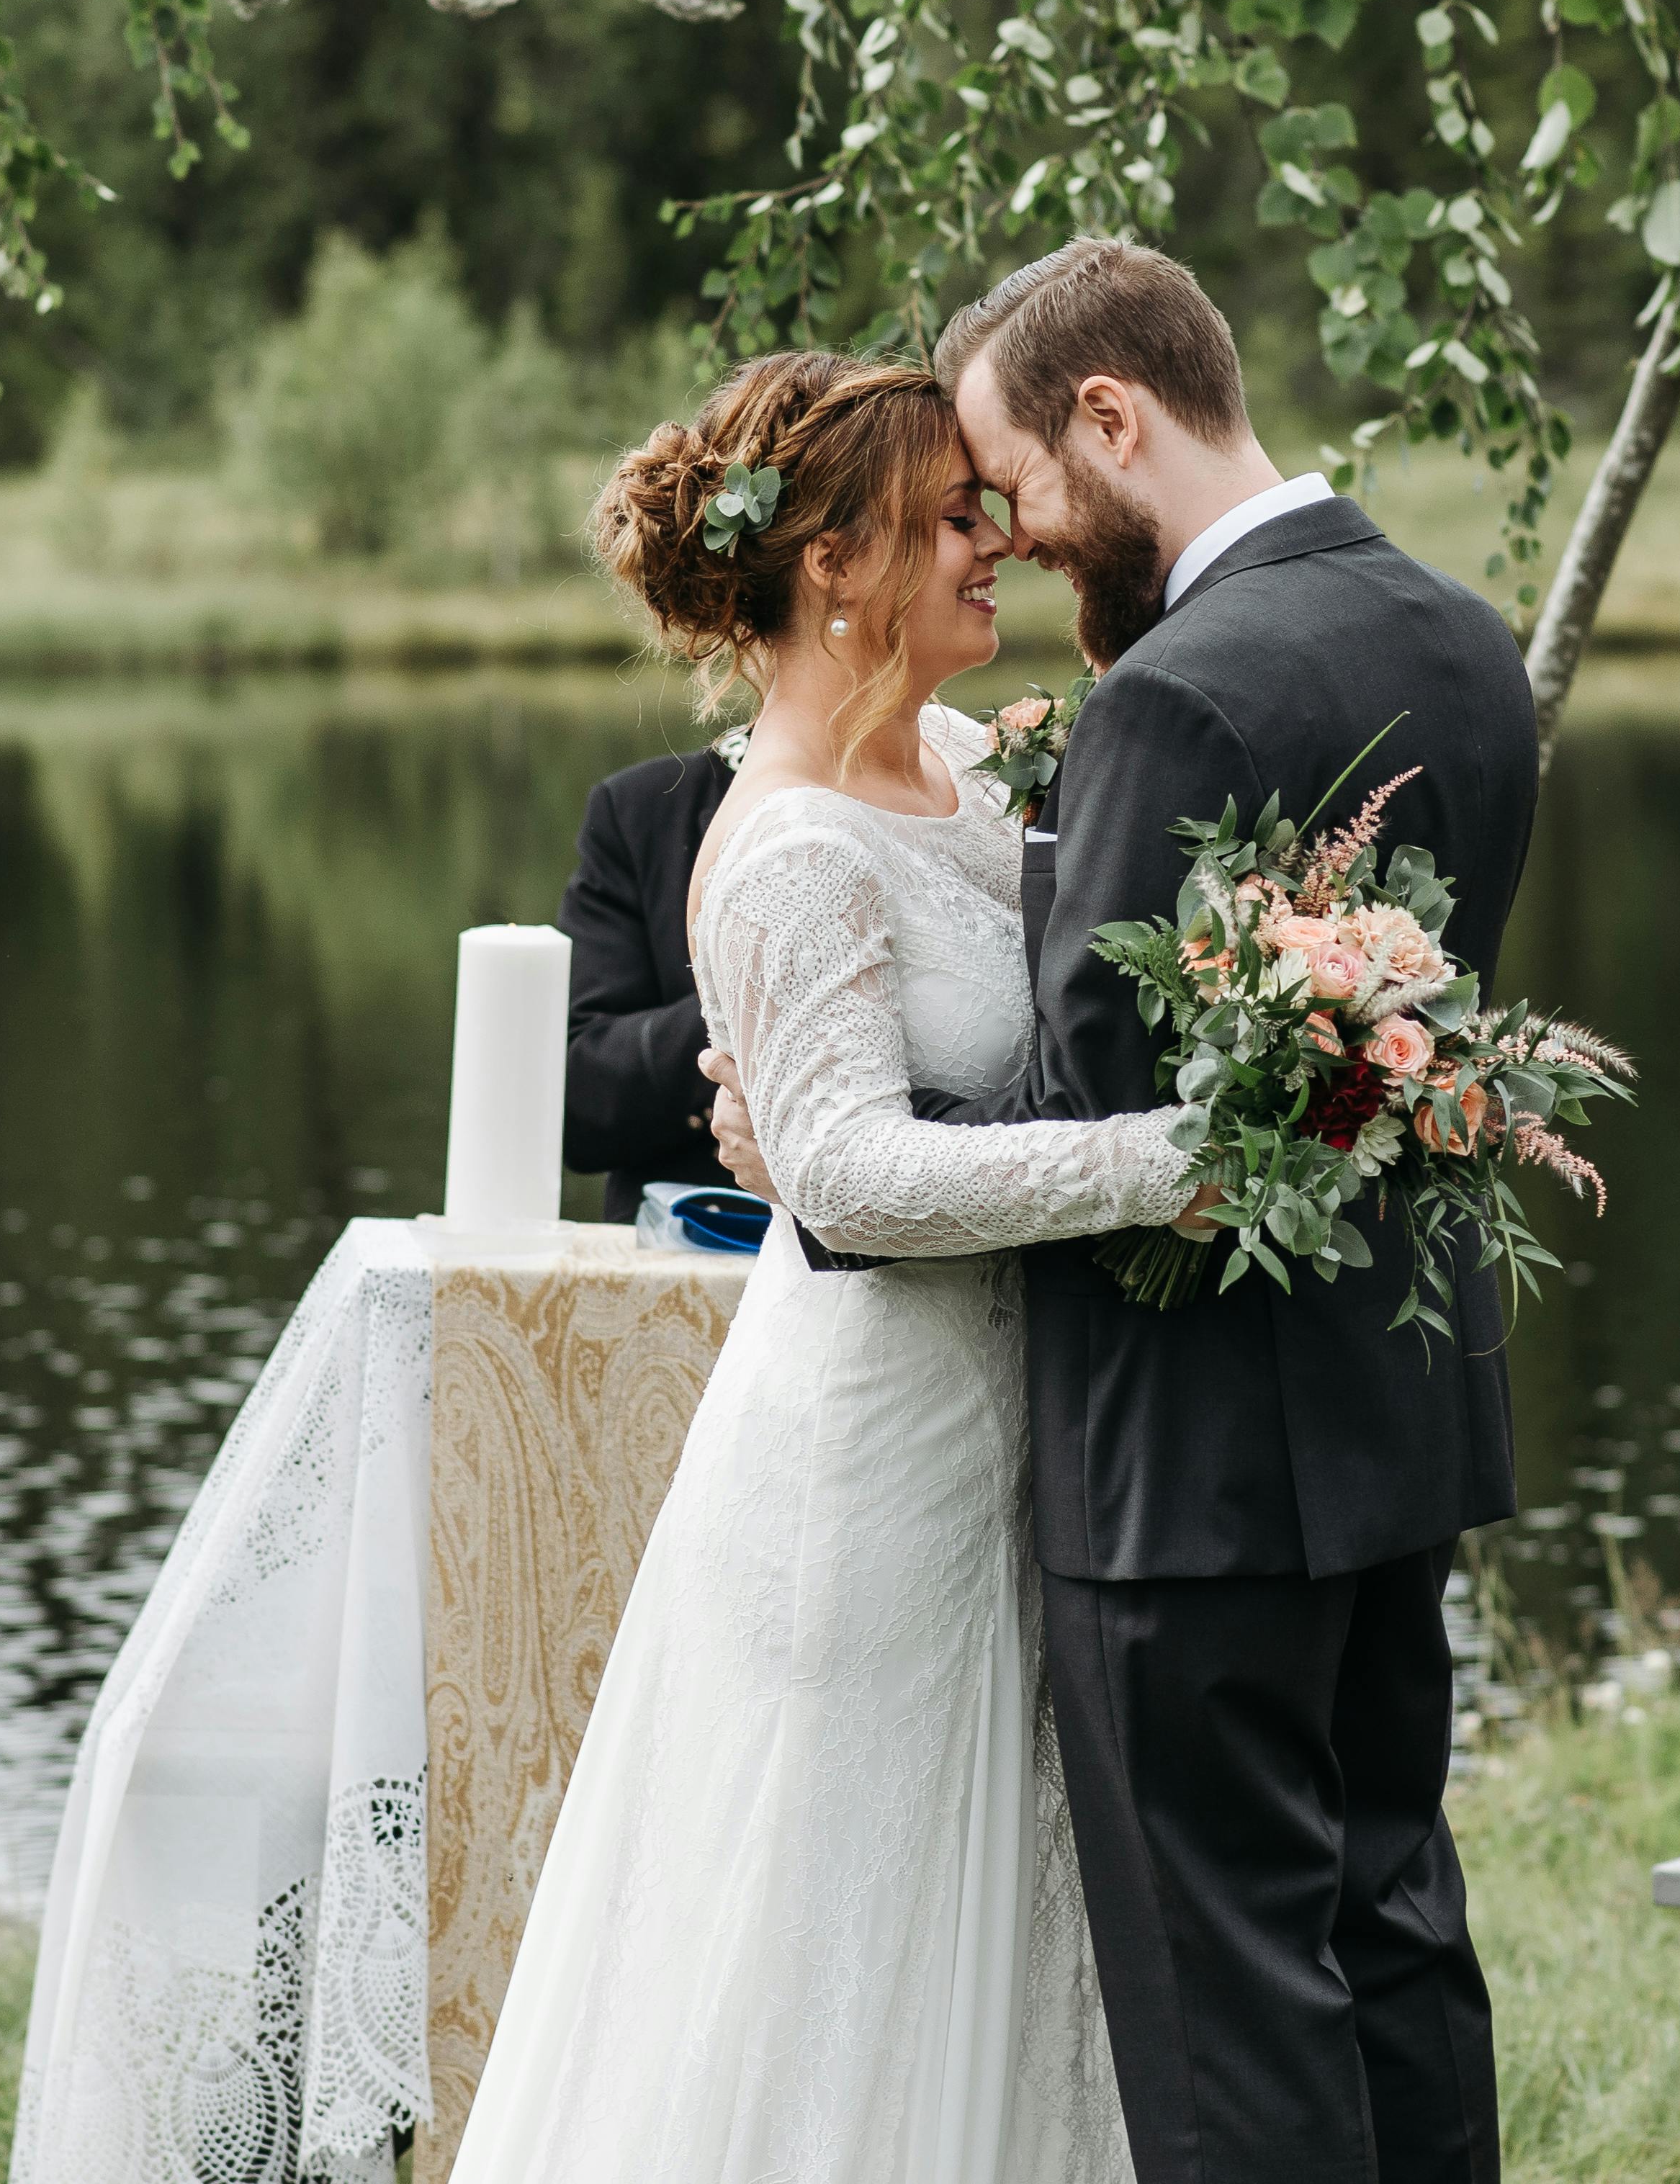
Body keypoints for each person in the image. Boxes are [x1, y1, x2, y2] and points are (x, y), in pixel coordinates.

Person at [709, 236, 1538, 2184]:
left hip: (1181, 1458)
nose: (1016, 536)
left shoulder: (1173, 690)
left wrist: (826, 1137)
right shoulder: (1460, 631)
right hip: (1394, 1417)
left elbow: (1106, 1098)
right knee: (1393, 1925)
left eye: (1022, 483)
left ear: (1111, 412)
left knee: (1226, 1990)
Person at [446, 348, 1205, 2184]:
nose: (1001, 538)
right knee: (839, 1925)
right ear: (832, 562)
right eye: (957, 513)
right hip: (873, 1458)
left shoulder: (959, 756)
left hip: (1020, 1426)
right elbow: (853, 1174)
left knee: (1015, 1924)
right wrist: (1165, 1162)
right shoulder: (780, 837)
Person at [557, 737, 742, 1219]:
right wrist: (761, 995)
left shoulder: (962, 789)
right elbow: (581, 1101)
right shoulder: (647, 806)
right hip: (696, 1239)